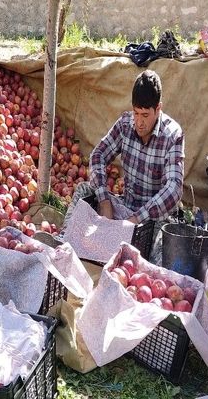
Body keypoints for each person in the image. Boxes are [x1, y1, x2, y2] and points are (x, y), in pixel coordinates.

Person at [62, 70, 185, 263]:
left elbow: (174, 188)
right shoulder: (125, 125)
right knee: (84, 191)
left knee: (157, 262)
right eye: (136, 113)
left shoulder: (172, 134)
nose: (139, 122)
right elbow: (98, 156)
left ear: (158, 108)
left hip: (151, 220)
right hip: (124, 209)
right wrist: (105, 203)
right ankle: (63, 244)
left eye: (145, 115)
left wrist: (136, 219)